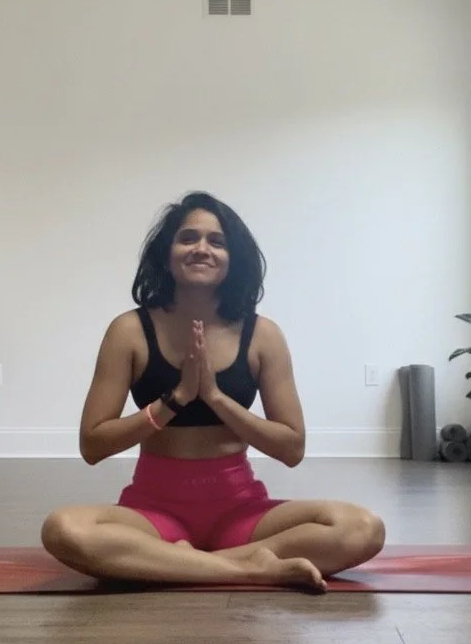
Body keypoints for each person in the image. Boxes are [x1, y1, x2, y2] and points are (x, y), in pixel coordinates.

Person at [41, 192, 386, 592]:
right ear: (166, 253)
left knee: (362, 528)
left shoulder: (263, 335)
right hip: (153, 512)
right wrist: (175, 400)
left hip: (241, 511)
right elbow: (93, 445)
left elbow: (291, 448)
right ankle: (250, 569)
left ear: (232, 257)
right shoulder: (129, 331)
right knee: (63, 529)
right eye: (188, 238)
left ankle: (175, 565)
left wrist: (216, 397)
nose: (201, 249)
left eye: (216, 241)